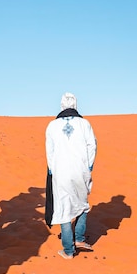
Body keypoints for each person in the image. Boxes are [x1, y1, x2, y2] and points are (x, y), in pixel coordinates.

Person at [45, 92, 97, 259]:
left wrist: (52, 169)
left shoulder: (52, 126)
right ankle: (79, 238)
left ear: (61, 105)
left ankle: (68, 250)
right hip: (81, 169)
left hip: (61, 171)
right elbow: (92, 146)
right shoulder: (84, 124)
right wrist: (88, 166)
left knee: (63, 207)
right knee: (82, 203)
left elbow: (49, 151)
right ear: (75, 105)